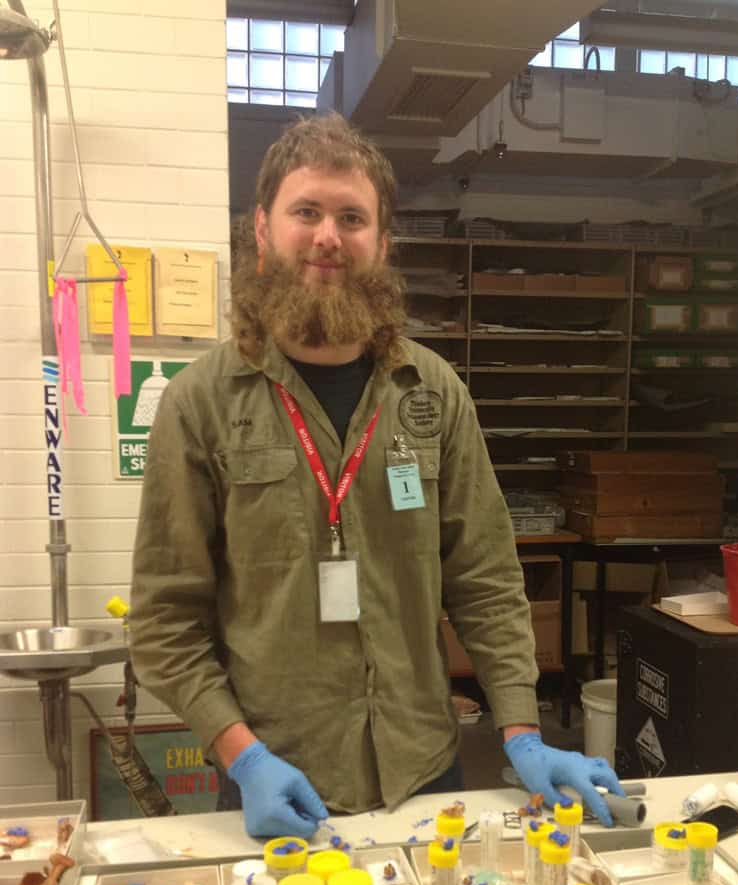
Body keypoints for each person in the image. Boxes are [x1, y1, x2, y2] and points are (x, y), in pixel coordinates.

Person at [129, 113, 625, 839]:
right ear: (262, 232)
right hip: (273, 782)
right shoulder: (200, 402)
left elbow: (485, 578)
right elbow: (164, 620)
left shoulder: (434, 393)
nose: (328, 234)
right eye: (307, 211)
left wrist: (522, 731)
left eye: (352, 217)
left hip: (425, 775)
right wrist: (243, 756)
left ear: (381, 245)